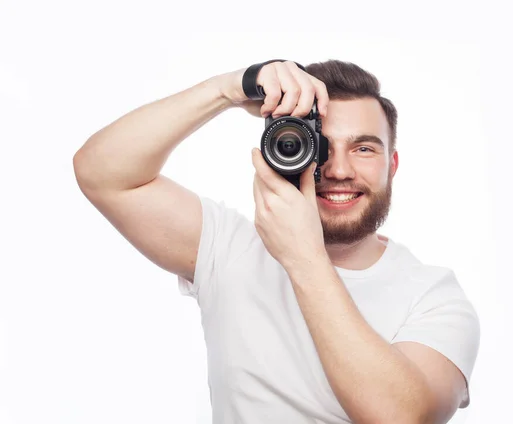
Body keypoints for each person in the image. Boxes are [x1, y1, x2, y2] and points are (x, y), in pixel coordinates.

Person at [73, 59, 480, 424]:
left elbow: (401, 417)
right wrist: (229, 89)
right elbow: (102, 173)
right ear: (283, 149)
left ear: (392, 165)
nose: (338, 169)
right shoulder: (232, 248)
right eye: (319, 145)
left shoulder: (435, 297)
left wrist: (304, 257)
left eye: (363, 148)